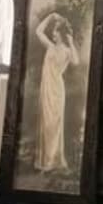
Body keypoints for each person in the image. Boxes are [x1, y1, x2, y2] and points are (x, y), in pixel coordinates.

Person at [34, 12, 79, 173]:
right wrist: (51, 16)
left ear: (61, 34)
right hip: (47, 87)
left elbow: (75, 61)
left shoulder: (67, 50)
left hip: (58, 89)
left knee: (56, 123)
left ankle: (55, 159)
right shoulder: (50, 46)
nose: (52, 33)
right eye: (52, 31)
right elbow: (38, 31)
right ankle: (46, 160)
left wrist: (72, 43)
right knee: (46, 123)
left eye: (55, 31)